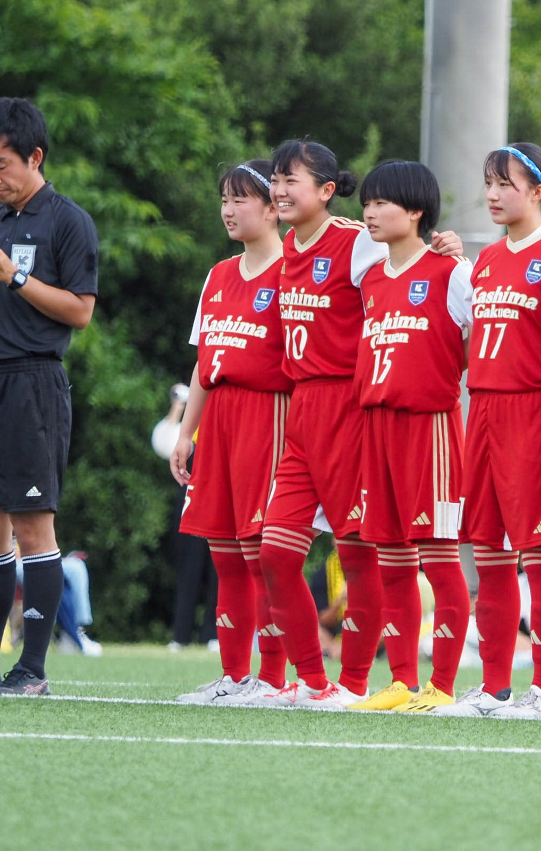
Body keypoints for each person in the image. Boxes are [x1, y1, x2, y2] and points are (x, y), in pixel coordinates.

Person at [247, 140, 461, 710]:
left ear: (324, 188)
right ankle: (313, 683)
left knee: (361, 554)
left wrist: (446, 248)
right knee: (275, 553)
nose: (280, 188)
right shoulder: (288, 245)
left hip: (352, 408)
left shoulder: (356, 244)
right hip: (302, 413)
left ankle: (357, 683)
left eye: (292, 178)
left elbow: (412, 265)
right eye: (275, 178)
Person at [0, 98, 99, 696]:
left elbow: (80, 313)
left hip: (32, 383)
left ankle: (31, 670)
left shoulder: (68, 221)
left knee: (33, 529)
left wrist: (16, 276)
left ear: (34, 156)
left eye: (1, 164)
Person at [434, 144, 541, 718]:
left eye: (504, 185)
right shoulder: (486, 262)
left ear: (539, 191)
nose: (491, 196)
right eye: (487, 185)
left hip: (535, 409)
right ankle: (494, 687)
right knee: (486, 551)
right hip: (482, 411)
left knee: (540, 551)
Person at [345, 160, 473, 714]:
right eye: (366, 202)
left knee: (440, 560)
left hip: (431, 429)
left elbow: (483, 348)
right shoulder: (369, 277)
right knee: (391, 560)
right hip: (377, 428)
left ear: (416, 211)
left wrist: (459, 254)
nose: (369, 212)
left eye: (382, 203)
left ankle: (441, 685)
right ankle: (400, 680)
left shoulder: (453, 274)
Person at [170, 160, 293, 705]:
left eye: (240, 198)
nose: (227, 209)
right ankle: (232, 673)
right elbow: (203, 363)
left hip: (268, 415)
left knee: (261, 551)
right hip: (217, 419)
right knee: (223, 550)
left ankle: (271, 678)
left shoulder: (295, 271)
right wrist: (185, 433)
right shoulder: (218, 275)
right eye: (223, 198)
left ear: (273, 207)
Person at [154, 383, 218, 653]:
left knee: (219, 569)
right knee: (188, 569)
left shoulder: (218, 415)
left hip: (219, 498)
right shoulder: (189, 426)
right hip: (191, 499)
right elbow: (162, 444)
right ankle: (180, 635)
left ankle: (212, 635)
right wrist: (178, 410)